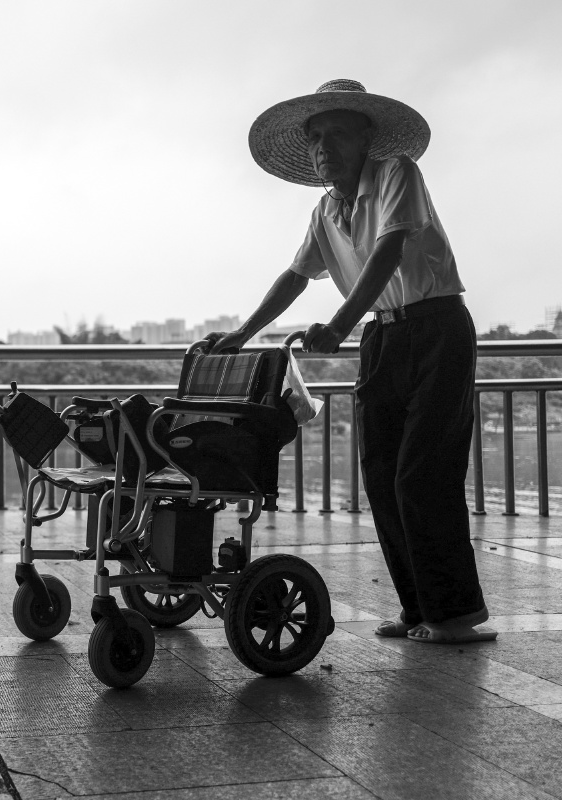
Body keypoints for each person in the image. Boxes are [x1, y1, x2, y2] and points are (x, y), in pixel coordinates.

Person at [207, 79, 494, 644]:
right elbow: (295, 275)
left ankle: (456, 614)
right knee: (383, 479)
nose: (323, 148)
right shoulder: (325, 210)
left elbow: (390, 247)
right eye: (315, 138)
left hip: (437, 328)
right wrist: (241, 335)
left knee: (422, 477)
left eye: (337, 133)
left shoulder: (396, 173)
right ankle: (418, 611)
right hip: (382, 339)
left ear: (367, 136)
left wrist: (337, 325)